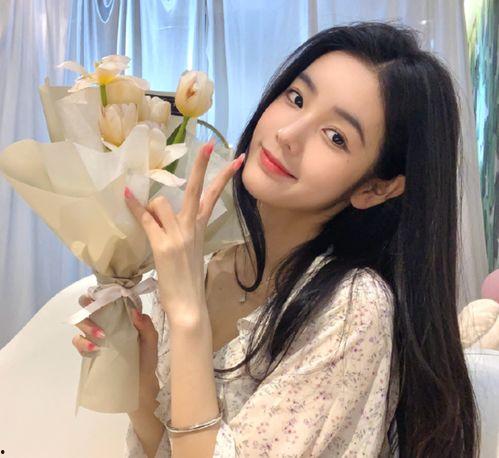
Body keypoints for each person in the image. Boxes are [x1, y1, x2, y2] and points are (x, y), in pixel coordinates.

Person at [72, 20, 480, 457]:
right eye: (296, 98)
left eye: (336, 137)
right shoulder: (209, 263)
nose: (288, 134)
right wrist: (142, 381)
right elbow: (169, 449)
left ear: (375, 188)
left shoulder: (353, 308)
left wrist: (188, 316)